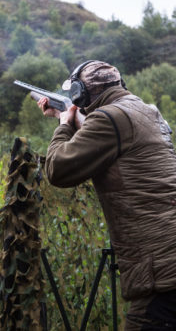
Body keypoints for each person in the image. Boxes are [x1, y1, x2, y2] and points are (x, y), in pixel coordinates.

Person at [37, 60, 176, 330]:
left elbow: (58, 169)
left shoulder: (108, 118)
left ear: (79, 94)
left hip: (160, 269)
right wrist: (65, 116)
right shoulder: (146, 111)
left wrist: (64, 125)